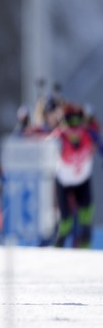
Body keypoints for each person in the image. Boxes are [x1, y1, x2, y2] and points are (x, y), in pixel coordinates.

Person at [50, 103, 100, 248]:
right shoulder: (58, 137)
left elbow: (100, 145)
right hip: (64, 182)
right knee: (65, 222)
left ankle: (84, 250)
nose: (74, 130)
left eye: (77, 123)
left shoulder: (89, 134)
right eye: (70, 124)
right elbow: (43, 148)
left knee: (86, 214)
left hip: (82, 180)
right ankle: (57, 248)